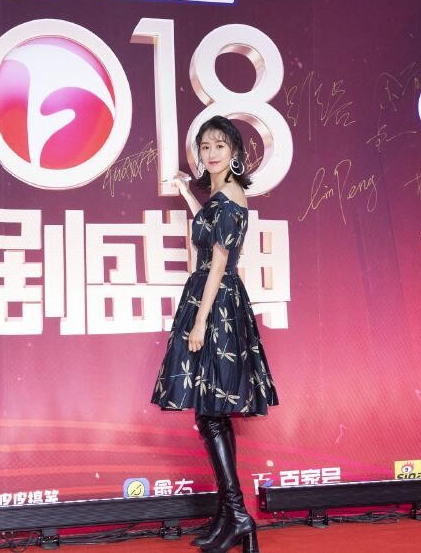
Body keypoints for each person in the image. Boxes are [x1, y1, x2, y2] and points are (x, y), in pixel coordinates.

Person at [151, 115, 278, 553]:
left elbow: (220, 260)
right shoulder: (219, 196)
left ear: (235, 152)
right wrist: (188, 193)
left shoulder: (231, 194)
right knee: (210, 411)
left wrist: (202, 319)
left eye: (219, 145)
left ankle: (238, 516)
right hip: (208, 294)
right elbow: (207, 229)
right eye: (205, 146)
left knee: (212, 410)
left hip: (216, 301)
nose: (210, 153)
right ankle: (230, 518)